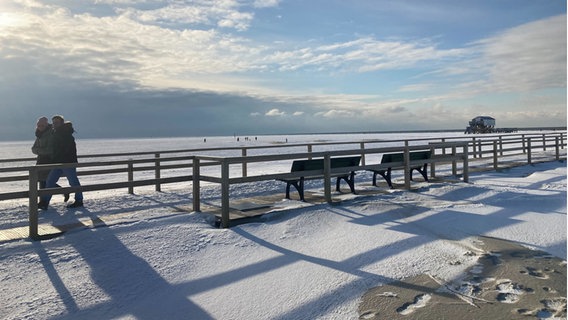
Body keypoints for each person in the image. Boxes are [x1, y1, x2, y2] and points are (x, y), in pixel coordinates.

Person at [38, 115, 83, 209]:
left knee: (73, 182)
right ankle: (44, 202)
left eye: (57, 122)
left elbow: (64, 149)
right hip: (58, 163)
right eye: (53, 122)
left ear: (62, 123)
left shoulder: (65, 133)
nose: (54, 124)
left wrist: (56, 157)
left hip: (67, 162)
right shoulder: (56, 133)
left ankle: (79, 201)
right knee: (50, 181)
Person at [31, 117, 68, 201]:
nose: (40, 127)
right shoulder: (39, 134)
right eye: (39, 125)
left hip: (49, 160)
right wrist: (39, 151)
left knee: (46, 181)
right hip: (40, 160)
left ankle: (44, 201)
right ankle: (63, 192)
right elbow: (33, 148)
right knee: (42, 180)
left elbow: (50, 150)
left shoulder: (51, 133)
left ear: (46, 125)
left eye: (42, 125)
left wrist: (39, 150)